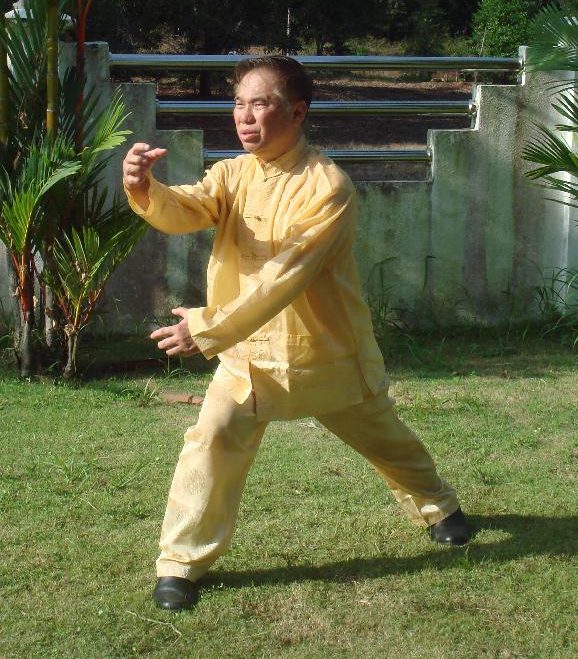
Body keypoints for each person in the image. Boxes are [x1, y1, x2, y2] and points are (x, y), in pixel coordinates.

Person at [122, 55, 470, 612]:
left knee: (385, 439)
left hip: (323, 350)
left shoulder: (328, 186)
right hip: (248, 357)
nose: (245, 116)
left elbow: (285, 276)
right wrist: (146, 189)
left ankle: (440, 508)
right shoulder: (233, 173)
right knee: (210, 443)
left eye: (260, 104)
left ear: (297, 111)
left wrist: (205, 327)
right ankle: (180, 564)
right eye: (239, 103)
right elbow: (191, 207)